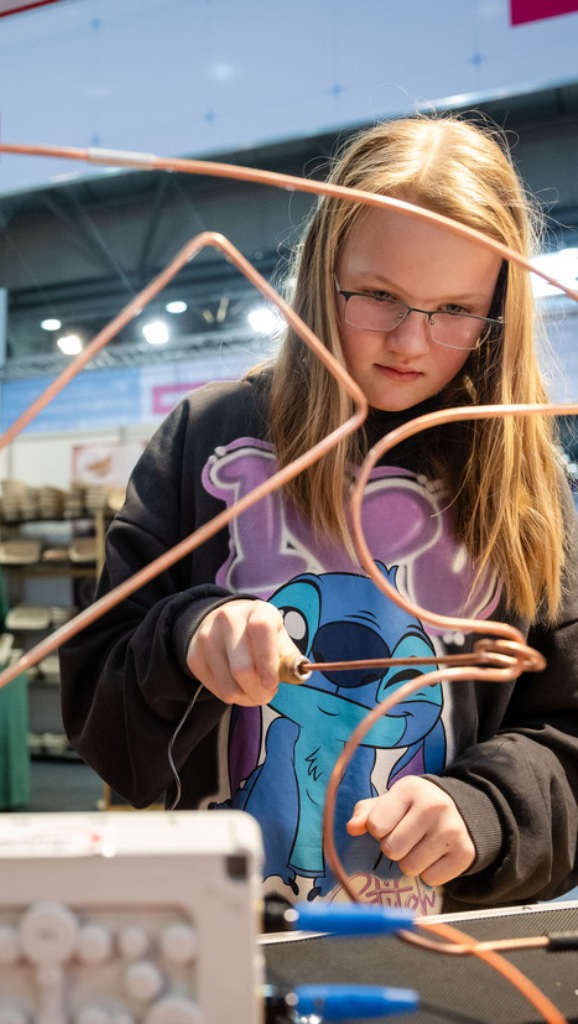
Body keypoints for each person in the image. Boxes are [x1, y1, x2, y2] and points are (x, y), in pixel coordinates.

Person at [59, 113, 578, 914]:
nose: (411, 341)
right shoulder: (209, 436)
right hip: (225, 925)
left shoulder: (523, 480)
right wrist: (187, 638)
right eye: (379, 296)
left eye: (455, 308)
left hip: (443, 941)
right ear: (321, 273)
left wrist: (486, 809)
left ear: (498, 311)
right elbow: (99, 709)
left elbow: (568, 735)